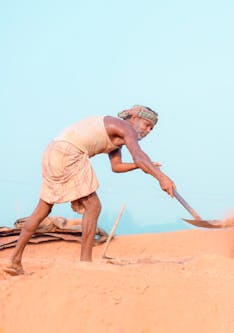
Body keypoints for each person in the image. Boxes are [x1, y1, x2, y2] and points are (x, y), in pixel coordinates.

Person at [3, 105, 176, 275]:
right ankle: (85, 263)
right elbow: (139, 155)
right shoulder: (126, 128)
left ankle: (15, 261)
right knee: (93, 207)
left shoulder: (119, 135)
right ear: (135, 118)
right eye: (147, 125)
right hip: (69, 153)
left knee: (43, 208)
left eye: (151, 129)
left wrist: (141, 166)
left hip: (53, 152)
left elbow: (116, 166)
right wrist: (162, 177)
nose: (147, 131)